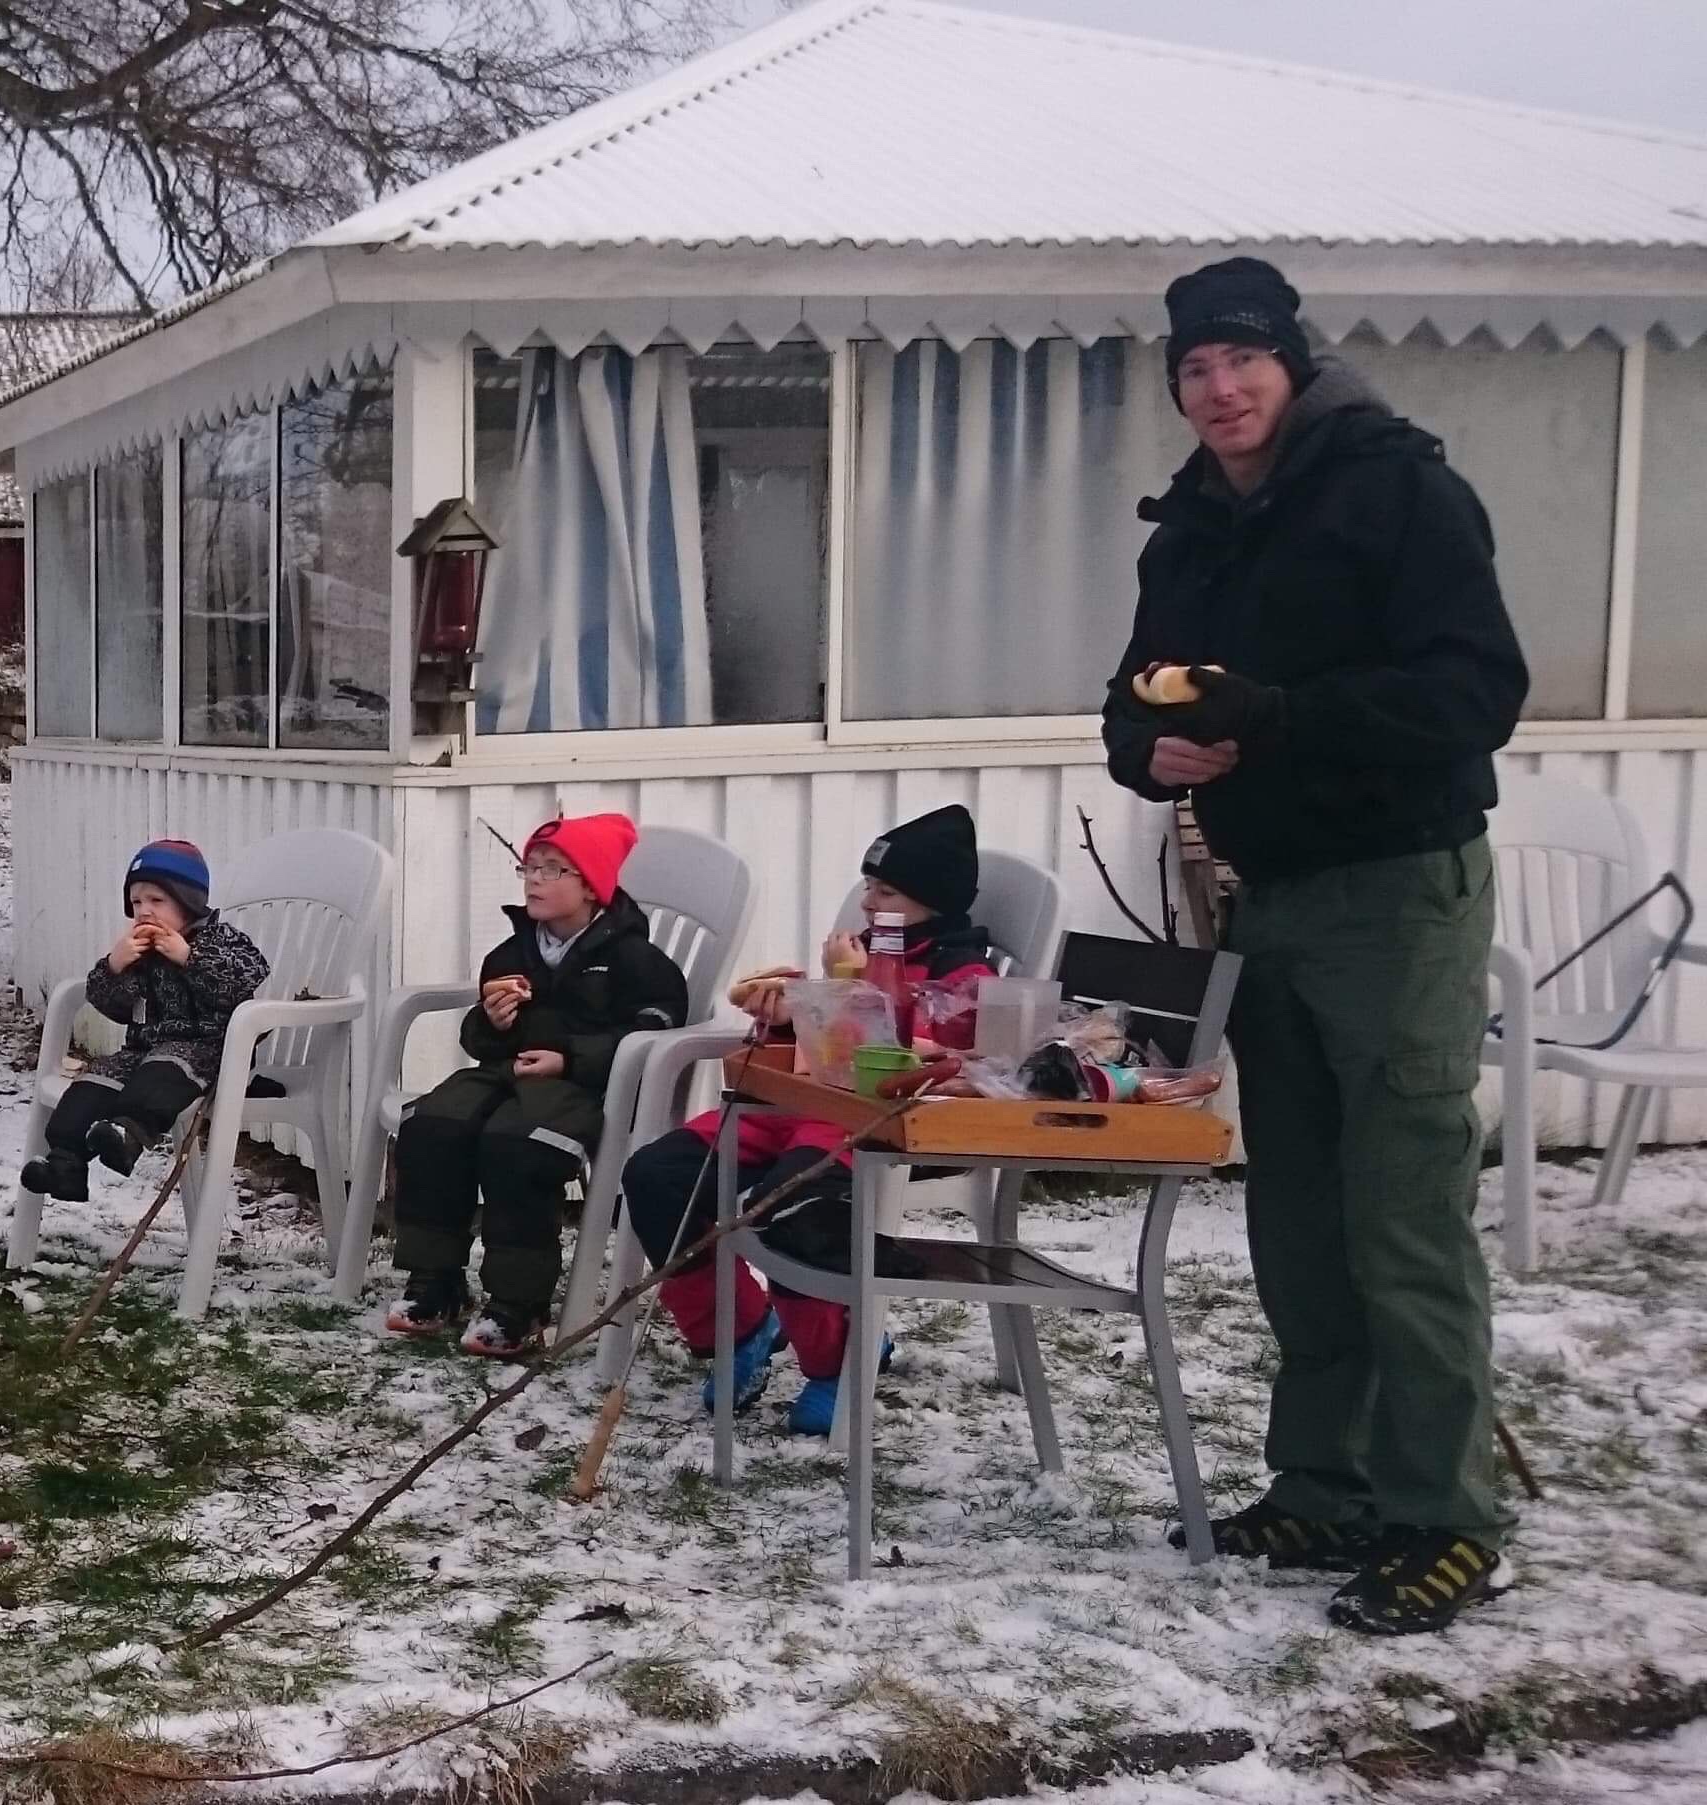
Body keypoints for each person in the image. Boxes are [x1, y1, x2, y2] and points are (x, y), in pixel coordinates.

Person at [1102, 256, 1527, 1636]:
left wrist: (1279, 719)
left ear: (1292, 363)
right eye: (1195, 368)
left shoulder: (1398, 490)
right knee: (1297, 1214)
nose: (1220, 389)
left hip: (1398, 890)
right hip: (1267, 896)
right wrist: (1149, 750)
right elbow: (1132, 701)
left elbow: (1476, 692)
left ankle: (1444, 1518)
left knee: (1400, 1212)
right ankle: (1323, 1484)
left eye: (1243, 360)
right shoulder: (1192, 529)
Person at [619, 805, 999, 1436]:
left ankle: (836, 1360)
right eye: (868, 887)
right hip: (792, 1106)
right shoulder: (863, 953)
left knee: (791, 1207)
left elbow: (927, 1061)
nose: (869, 903)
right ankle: (739, 1328)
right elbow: (816, 1051)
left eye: (887, 892)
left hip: (866, 1123)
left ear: (935, 900)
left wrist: (845, 994)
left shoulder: (963, 977)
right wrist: (786, 1015)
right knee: (657, 1175)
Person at [388, 813, 688, 1358]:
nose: (534, 880)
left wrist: (569, 1058)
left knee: (519, 1144)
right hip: (509, 1072)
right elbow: (479, 1041)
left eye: (553, 869)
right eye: (529, 867)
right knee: (434, 1124)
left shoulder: (633, 959)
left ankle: (517, 1303)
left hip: (588, 1087)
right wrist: (492, 1022)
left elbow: (655, 1028)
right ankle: (436, 1279)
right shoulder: (513, 953)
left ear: (591, 885)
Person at [22, 838, 269, 1203]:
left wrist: (190, 957)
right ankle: (65, 1162)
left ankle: (128, 1135)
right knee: (93, 1082)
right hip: (141, 1050)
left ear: (188, 901)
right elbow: (111, 1006)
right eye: (136, 903)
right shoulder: (140, 952)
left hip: (208, 1051)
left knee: (160, 1075)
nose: (144, 911)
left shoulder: (219, 939)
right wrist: (114, 966)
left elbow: (249, 975)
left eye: (156, 900)